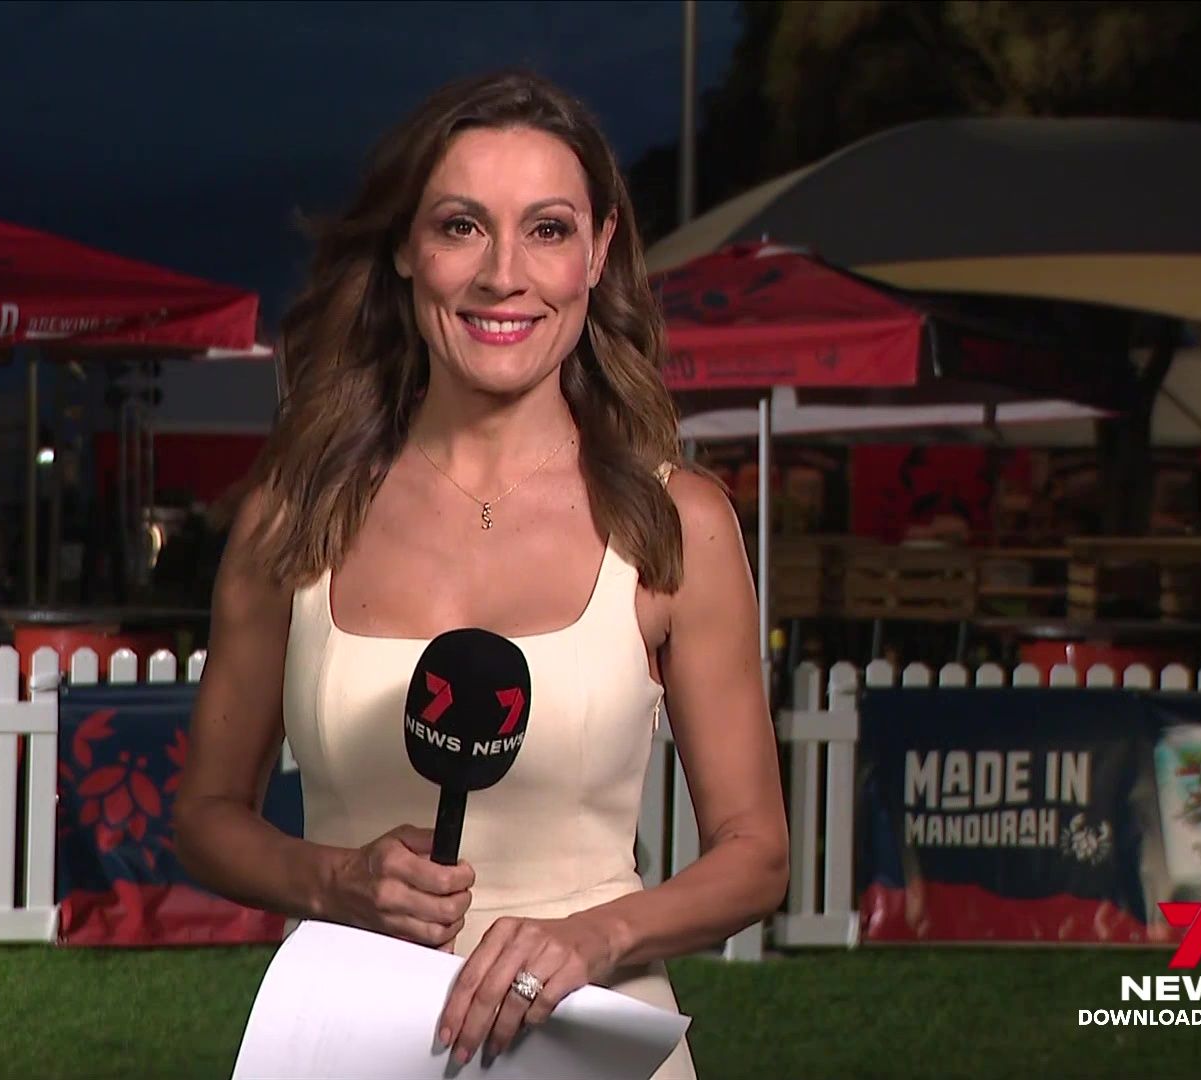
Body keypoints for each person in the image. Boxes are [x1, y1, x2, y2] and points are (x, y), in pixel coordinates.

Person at [172, 71, 787, 1076]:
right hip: (352, 1040)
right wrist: (332, 881)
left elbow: (756, 854)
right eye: (462, 226)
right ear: (406, 250)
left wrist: (594, 938)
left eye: (547, 229)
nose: (505, 274)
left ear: (599, 252)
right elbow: (206, 817)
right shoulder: (294, 517)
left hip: (589, 1043)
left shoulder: (679, 524)